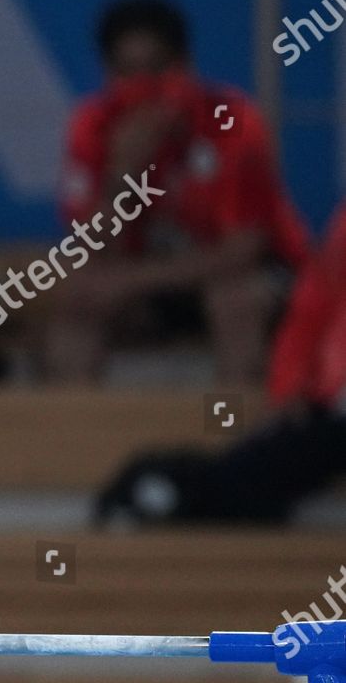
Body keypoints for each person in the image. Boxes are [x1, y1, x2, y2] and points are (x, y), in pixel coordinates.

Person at [47, 0, 310, 384]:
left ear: (186, 66)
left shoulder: (234, 121)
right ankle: (71, 436)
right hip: (155, 286)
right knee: (80, 297)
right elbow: (94, 251)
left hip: (256, 279)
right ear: (107, 74)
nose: (143, 88)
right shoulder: (93, 126)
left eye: (157, 70)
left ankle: (232, 436)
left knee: (234, 300)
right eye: (127, 72)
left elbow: (243, 252)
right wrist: (121, 176)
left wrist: (130, 281)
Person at [95, 203, 346, 525]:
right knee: (246, 477)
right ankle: (158, 496)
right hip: (333, 412)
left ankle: (163, 495)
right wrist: (288, 388)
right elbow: (312, 310)